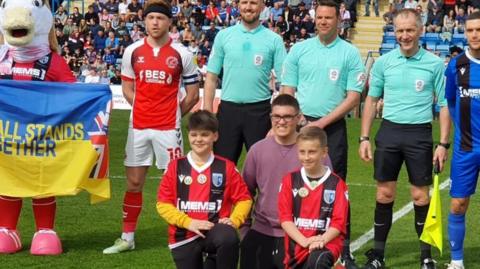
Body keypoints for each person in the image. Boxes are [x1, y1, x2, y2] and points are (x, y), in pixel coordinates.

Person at [103, 0, 200, 254]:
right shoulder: (132, 51)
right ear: (144, 21)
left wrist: (173, 114)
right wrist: (142, 108)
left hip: (168, 129)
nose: (155, 22)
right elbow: (127, 87)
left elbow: (192, 95)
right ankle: (127, 237)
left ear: (170, 22)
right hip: (138, 128)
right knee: (134, 182)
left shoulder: (183, 54)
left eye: (160, 18)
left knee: (176, 183)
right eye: (151, 18)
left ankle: (181, 235)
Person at [358, 8, 450, 269]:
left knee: (421, 197)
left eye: (410, 30)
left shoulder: (434, 64)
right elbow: (371, 100)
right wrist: (364, 137)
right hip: (388, 132)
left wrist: (443, 144)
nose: (404, 35)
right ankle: (377, 256)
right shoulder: (384, 63)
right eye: (399, 30)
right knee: (384, 194)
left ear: (420, 30)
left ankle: (425, 257)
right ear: (393, 32)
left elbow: (443, 105)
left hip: (419, 134)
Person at [280, 1, 366, 267]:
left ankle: (343, 248)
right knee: (296, 185)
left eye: (329, 17)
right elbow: (287, 89)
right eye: (320, 17)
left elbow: (353, 98)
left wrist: (321, 123)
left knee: (337, 188)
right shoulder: (299, 50)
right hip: (301, 126)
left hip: (333, 128)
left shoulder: (350, 53)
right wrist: (298, 119)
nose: (324, 21)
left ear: (339, 19)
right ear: (314, 18)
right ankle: (294, 243)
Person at [239, 95, 332, 269]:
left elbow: (330, 195)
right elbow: (244, 193)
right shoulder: (257, 150)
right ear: (271, 117)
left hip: (304, 234)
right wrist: (245, 232)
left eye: (287, 117)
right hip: (262, 230)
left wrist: (322, 235)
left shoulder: (312, 151)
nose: (281, 121)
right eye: (277, 116)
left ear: (298, 118)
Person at [157, 110, 252, 269]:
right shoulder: (175, 166)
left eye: (204, 135)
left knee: (228, 237)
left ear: (215, 136)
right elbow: (163, 204)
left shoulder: (226, 167)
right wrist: (188, 222)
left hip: (215, 231)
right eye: (194, 135)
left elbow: (244, 199)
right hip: (184, 234)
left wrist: (234, 220)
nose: (198, 139)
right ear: (188, 136)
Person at [203, 0, 287, 164]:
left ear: (262, 6)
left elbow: (285, 82)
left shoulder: (274, 40)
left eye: (254, 3)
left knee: (263, 169)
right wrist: (207, 112)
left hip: (260, 113)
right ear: (238, 6)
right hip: (228, 111)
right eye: (244, 2)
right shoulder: (224, 36)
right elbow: (211, 77)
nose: (249, 7)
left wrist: (278, 118)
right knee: (222, 169)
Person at [278, 126, 349, 269]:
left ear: (324, 152)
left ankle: (336, 263)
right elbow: (285, 219)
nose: (306, 157)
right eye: (302, 152)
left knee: (318, 261)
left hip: (326, 244)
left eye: (312, 152)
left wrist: (321, 240)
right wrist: (305, 241)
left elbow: (338, 223)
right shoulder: (289, 181)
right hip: (297, 246)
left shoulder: (337, 185)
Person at [444, 11, 480, 269]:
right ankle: (457, 262)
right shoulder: (455, 65)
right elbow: (451, 103)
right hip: (465, 148)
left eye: (479, 29)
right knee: (457, 204)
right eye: (470, 30)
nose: (475, 35)